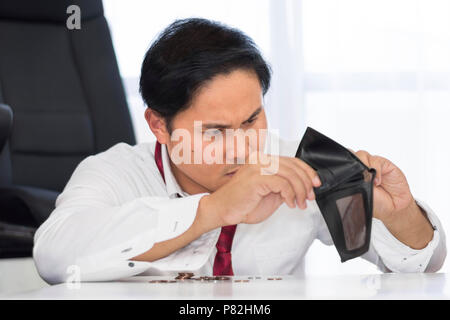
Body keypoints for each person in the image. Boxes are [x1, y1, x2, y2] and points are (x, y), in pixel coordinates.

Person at [33, 18, 446, 284]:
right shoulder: (115, 171)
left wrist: (398, 213)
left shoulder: (302, 165)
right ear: (159, 125)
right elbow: (54, 258)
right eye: (215, 131)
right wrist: (213, 211)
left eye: (252, 120)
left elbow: (422, 267)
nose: (244, 148)